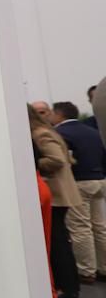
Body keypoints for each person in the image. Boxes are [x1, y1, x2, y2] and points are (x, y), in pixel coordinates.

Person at [28, 104, 79, 298]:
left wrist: (28, 161)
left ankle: (66, 286)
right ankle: (69, 285)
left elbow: (57, 159)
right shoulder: (48, 131)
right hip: (57, 192)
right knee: (61, 239)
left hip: (55, 191)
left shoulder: (40, 134)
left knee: (57, 241)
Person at [52, 101, 106, 284]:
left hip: (80, 182)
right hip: (99, 180)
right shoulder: (93, 132)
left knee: (81, 227)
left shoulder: (61, 133)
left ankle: (86, 270)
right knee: (99, 226)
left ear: (59, 115)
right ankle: (104, 267)